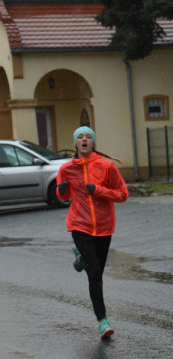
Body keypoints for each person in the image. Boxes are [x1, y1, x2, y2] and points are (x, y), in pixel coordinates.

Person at [56, 126, 128, 339]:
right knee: (95, 274)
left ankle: (79, 257)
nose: (84, 140)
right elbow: (63, 195)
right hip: (79, 225)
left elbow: (123, 194)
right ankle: (103, 321)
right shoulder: (67, 168)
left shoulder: (107, 166)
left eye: (88, 137)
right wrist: (61, 191)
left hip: (104, 227)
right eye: (80, 137)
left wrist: (98, 191)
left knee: (96, 271)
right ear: (75, 144)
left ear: (94, 143)